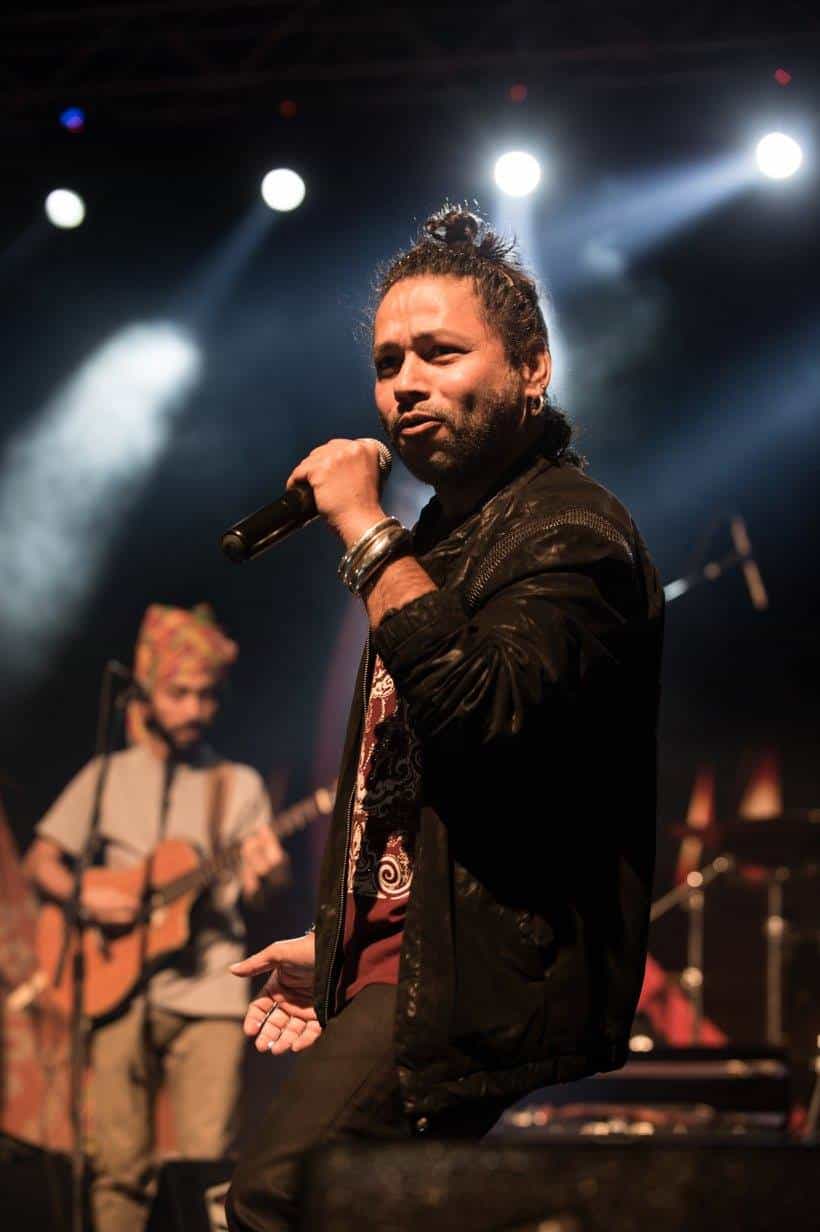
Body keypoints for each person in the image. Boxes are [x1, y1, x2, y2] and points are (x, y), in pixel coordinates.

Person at [226, 206, 664, 1232]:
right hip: (418, 966)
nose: (406, 383)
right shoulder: (444, 539)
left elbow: (479, 710)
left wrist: (362, 526)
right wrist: (345, 942)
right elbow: (415, 792)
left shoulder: (571, 531)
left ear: (532, 367)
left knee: (280, 1196)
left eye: (440, 352)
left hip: (492, 984)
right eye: (388, 363)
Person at [24, 603, 288, 1232]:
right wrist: (88, 895)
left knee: (207, 1168)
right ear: (146, 692)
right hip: (119, 992)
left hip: (211, 994)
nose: (195, 709)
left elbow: (263, 894)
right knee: (117, 1169)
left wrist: (269, 876)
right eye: (179, 694)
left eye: (206, 696)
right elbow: (42, 861)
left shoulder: (238, 784)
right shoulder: (106, 775)